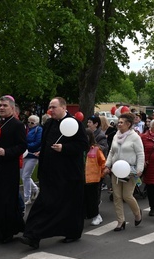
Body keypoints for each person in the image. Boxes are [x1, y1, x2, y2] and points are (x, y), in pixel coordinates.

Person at [21, 97, 88, 248]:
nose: (50, 110)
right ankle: (32, 235)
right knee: (43, 204)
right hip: (49, 173)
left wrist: (64, 148)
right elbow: (45, 145)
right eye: (50, 107)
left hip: (68, 175)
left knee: (67, 207)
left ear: (64, 108)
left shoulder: (74, 123)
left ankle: (71, 232)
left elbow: (83, 144)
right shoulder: (49, 123)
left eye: (54, 107)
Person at [0, 95, 27, 243]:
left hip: (9, 168)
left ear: (12, 107)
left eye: (4, 105)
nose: (1, 108)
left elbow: (22, 145)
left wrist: (7, 152)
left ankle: (7, 232)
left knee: (7, 200)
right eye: (0, 105)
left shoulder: (17, 125)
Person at [102, 112, 144, 231]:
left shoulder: (135, 137)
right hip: (116, 170)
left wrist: (140, 169)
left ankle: (137, 214)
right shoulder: (116, 135)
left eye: (121, 122)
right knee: (117, 196)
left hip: (130, 171)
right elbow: (112, 152)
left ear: (128, 124)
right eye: (118, 122)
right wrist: (107, 165)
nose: (118, 124)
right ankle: (120, 221)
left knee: (127, 195)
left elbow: (140, 154)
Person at [84, 129, 107, 226]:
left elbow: (103, 163)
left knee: (92, 198)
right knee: (84, 198)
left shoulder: (96, 149)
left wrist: (101, 175)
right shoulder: (80, 149)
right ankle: (87, 213)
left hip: (93, 179)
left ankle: (96, 215)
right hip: (82, 178)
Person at [22, 115, 42, 206]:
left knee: (25, 176)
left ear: (37, 123)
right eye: (29, 122)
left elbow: (38, 142)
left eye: (32, 122)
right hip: (24, 155)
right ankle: (35, 189)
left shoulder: (39, 130)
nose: (30, 124)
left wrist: (25, 146)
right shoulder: (27, 129)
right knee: (24, 175)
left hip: (32, 156)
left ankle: (27, 197)